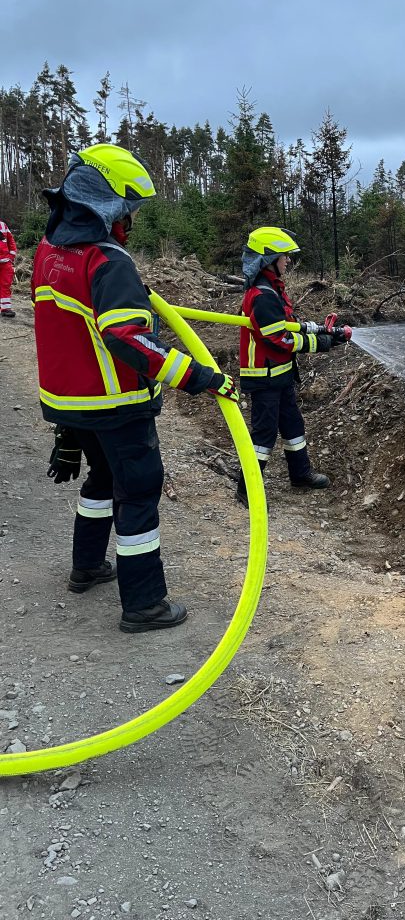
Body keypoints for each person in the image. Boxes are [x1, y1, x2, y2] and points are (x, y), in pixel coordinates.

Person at [32, 143, 239, 633]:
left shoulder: (49, 251)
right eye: (130, 209)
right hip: (116, 405)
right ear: (109, 204)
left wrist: (65, 430)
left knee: (100, 481)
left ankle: (86, 567)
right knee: (139, 492)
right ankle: (144, 604)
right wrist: (199, 377)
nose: (132, 219)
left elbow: (67, 330)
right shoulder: (107, 261)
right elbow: (128, 341)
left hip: (69, 404)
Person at [236, 226, 349, 505]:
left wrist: (323, 331)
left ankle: (300, 474)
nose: (288, 261)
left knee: (293, 426)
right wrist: (321, 344)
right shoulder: (262, 295)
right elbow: (279, 339)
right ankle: (246, 489)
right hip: (264, 376)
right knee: (263, 437)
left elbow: (289, 323)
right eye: (284, 256)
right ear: (269, 258)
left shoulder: (272, 289)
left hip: (279, 374)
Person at [0, 218, 17, 317]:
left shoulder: (3, 225)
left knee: (5, 285)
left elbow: (11, 241)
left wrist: (11, 256)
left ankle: (6, 309)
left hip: (5, 263)